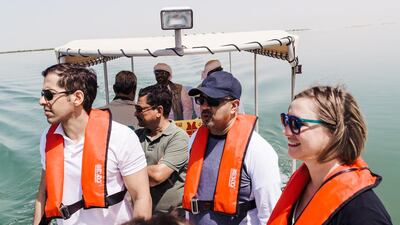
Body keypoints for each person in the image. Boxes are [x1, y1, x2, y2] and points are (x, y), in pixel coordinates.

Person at [33, 63, 152, 225]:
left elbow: (141, 197)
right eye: (42, 94)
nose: (42, 101)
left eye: (49, 94)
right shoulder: (48, 138)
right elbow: (43, 195)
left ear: (77, 98)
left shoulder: (121, 138)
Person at [267, 85, 392, 225]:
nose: (286, 132)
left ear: (334, 131)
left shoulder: (364, 214)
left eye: (296, 124)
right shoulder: (303, 184)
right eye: (286, 120)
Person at [183, 71, 282, 225]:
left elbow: (270, 212)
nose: (204, 106)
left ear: (234, 106)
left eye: (213, 101)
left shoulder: (257, 149)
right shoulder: (195, 138)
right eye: (200, 100)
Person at [135, 84, 189, 216]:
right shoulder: (136, 136)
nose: (135, 113)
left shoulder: (178, 138)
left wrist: (128, 169)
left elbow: (157, 176)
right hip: (143, 216)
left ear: (159, 110)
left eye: (139, 109)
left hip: (171, 218)